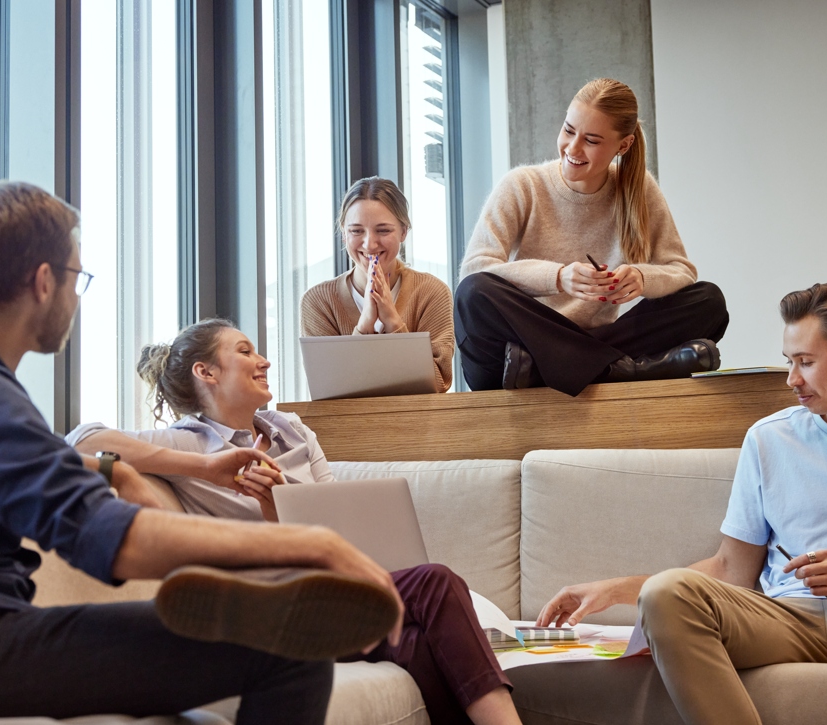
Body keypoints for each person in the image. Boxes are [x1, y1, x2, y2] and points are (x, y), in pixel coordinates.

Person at [0, 181, 406, 725]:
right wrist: (309, 541)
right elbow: (110, 538)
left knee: (271, 640)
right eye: (76, 278)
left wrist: (122, 468)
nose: (75, 297)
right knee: (289, 650)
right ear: (42, 281)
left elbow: (19, 466)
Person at [535, 282, 827, 724]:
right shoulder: (769, 438)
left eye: (806, 361)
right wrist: (615, 590)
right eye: (789, 361)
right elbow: (730, 570)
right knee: (666, 593)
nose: (792, 379)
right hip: (783, 616)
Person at [66, 317, 522, 725]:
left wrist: (283, 506)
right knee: (435, 582)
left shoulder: (292, 430)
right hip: (285, 604)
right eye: (244, 351)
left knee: (423, 645)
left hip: (343, 588)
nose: (263, 361)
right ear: (205, 373)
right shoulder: (190, 443)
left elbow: (335, 509)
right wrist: (201, 469)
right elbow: (79, 441)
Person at [455, 77, 729, 396]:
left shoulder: (640, 189)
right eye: (569, 130)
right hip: (519, 344)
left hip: (533, 362)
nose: (572, 148)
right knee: (473, 292)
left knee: (708, 301)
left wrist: (642, 278)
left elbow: (681, 271)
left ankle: (570, 367)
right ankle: (616, 369)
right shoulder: (522, 185)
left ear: (623, 145)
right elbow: (475, 270)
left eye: (592, 140)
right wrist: (557, 277)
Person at [301, 176, 455, 393]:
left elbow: (439, 383)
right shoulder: (319, 301)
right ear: (344, 234)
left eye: (383, 231)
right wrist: (363, 327)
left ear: (403, 232)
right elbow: (326, 390)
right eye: (356, 231)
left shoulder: (431, 292)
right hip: (347, 426)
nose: (369, 244)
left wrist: (393, 321)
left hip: (419, 424)